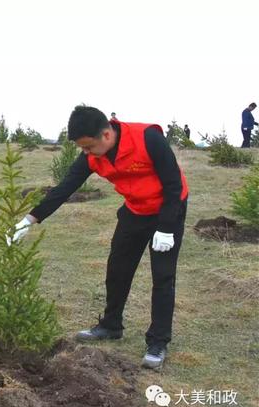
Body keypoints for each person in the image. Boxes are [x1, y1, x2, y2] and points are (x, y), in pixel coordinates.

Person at [11, 105, 189, 370]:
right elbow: (64, 188)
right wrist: (29, 220)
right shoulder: (93, 156)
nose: (86, 153)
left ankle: (158, 341)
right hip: (134, 210)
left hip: (168, 209)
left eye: (88, 147)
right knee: (117, 268)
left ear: (106, 135)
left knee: (163, 276)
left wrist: (165, 227)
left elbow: (173, 183)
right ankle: (110, 325)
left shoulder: (148, 139)